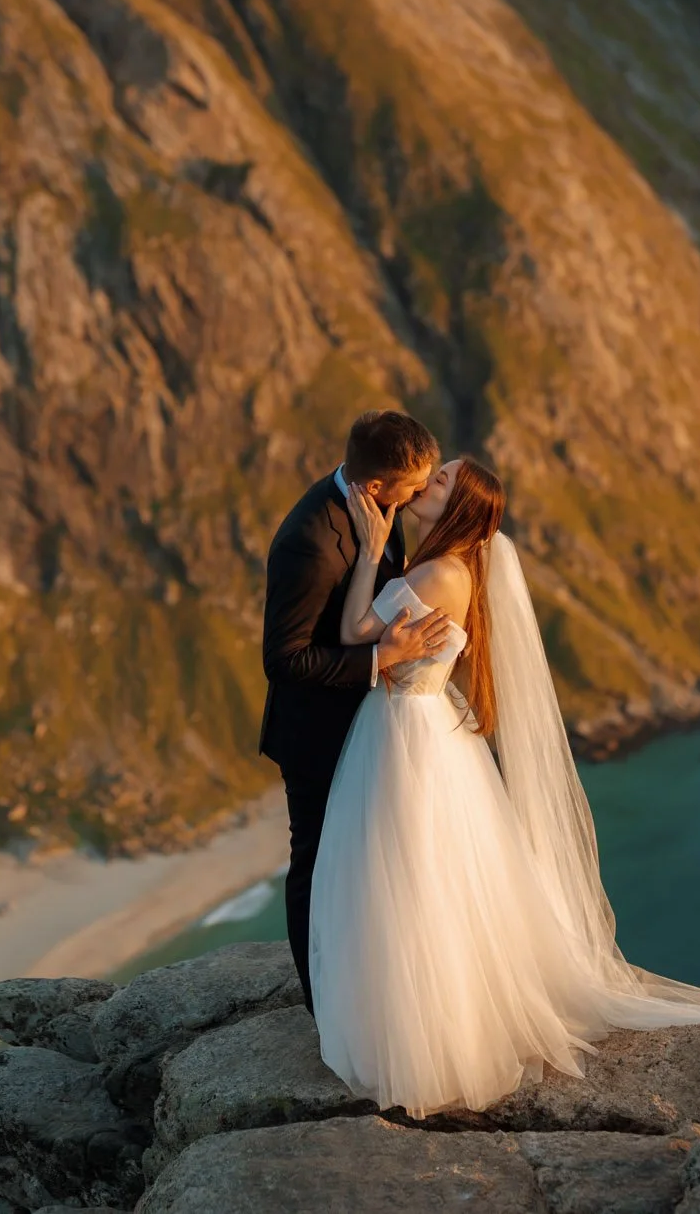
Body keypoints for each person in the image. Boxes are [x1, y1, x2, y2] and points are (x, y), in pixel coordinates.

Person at [307, 456, 700, 1117]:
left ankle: (421, 1031)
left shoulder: (437, 572)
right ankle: (427, 1012)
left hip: (405, 732)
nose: (429, 482)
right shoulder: (455, 568)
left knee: (403, 875)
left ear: (460, 509)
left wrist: (370, 551)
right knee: (427, 877)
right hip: (420, 729)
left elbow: (352, 635)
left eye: (444, 480)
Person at [258, 409, 453, 1013]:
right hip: (316, 735)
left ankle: (370, 992)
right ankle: (325, 1009)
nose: (422, 492)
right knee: (316, 869)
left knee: (368, 865)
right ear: (375, 486)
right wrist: (380, 659)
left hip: (369, 730)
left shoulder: (382, 514)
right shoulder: (310, 542)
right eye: (413, 485)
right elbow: (285, 660)